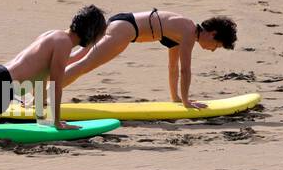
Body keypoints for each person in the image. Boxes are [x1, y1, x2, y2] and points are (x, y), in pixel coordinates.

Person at [63, 8, 237, 108]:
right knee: (83, 65)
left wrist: (176, 98)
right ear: (213, 34)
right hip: (125, 30)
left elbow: (173, 68)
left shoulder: (182, 30)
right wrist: (187, 103)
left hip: (122, 23)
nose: (214, 50)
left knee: (74, 58)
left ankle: (39, 83)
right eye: (218, 46)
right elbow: (185, 70)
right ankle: (43, 97)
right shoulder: (189, 32)